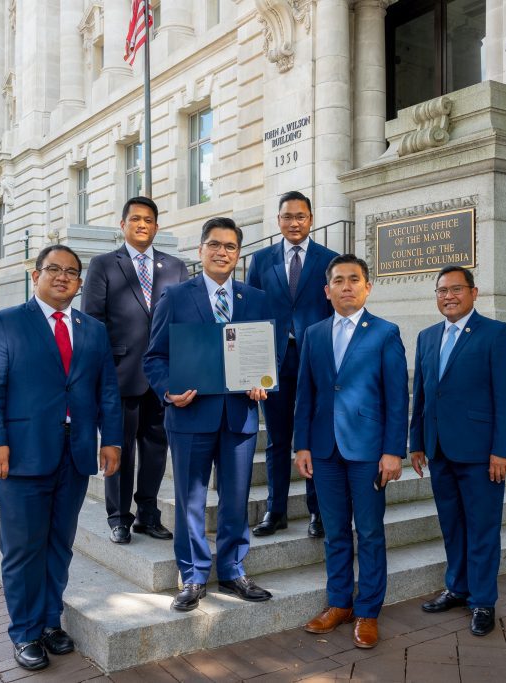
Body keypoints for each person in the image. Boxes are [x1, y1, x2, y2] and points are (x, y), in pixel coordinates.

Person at [0, 245, 122, 671]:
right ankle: (24, 632)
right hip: (20, 455)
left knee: (59, 543)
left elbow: (106, 389)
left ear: (79, 282)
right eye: (53, 269)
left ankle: (51, 621)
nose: (62, 277)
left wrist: (111, 440)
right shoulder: (5, 323)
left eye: (71, 272)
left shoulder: (92, 329)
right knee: (22, 548)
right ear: (35, 275)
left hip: (73, 455)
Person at [143, 217, 276, 612]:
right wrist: (168, 389)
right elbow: (155, 357)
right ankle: (194, 574)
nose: (222, 252)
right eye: (215, 245)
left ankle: (233, 570)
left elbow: (270, 355)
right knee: (190, 500)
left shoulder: (256, 299)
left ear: (238, 254)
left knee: (236, 499)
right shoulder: (175, 297)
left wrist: (264, 381)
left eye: (231, 247)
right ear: (200, 250)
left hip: (239, 415)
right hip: (189, 415)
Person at [294, 254, 408, 649]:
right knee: (335, 531)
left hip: (367, 451)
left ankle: (368, 612)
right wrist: (302, 444)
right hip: (324, 449)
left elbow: (397, 399)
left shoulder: (385, 333)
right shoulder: (314, 333)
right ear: (327, 291)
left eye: (354, 279)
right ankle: (339, 604)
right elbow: (304, 394)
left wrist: (394, 451)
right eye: (338, 280)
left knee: (371, 532)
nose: (346, 286)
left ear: (367, 287)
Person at [409, 265, 506, 637]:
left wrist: (502, 450)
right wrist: (416, 443)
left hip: (481, 454)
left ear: (473, 293)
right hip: (440, 450)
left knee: (483, 528)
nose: (448, 296)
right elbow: (423, 396)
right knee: (452, 524)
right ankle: (457, 588)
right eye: (442, 290)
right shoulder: (427, 337)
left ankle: (483, 601)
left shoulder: (497, 334)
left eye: (456, 289)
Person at [82, 196, 189, 545]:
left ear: (157, 227)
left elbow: (184, 323)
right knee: (119, 448)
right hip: (119, 373)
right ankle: (118, 516)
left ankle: (147, 514)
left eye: (149, 220)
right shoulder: (103, 265)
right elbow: (93, 322)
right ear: (123, 224)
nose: (142, 225)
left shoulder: (175, 267)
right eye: (136, 219)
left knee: (157, 448)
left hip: (162, 378)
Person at [246, 191, 338, 539]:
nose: (294, 222)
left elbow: (333, 312)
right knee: (277, 439)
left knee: (312, 436)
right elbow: (252, 314)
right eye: (287, 216)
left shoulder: (328, 259)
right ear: (278, 220)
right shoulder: (261, 260)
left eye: (300, 216)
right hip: (275, 361)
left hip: (314, 359)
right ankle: (276, 509)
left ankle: (318, 511)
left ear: (311, 219)